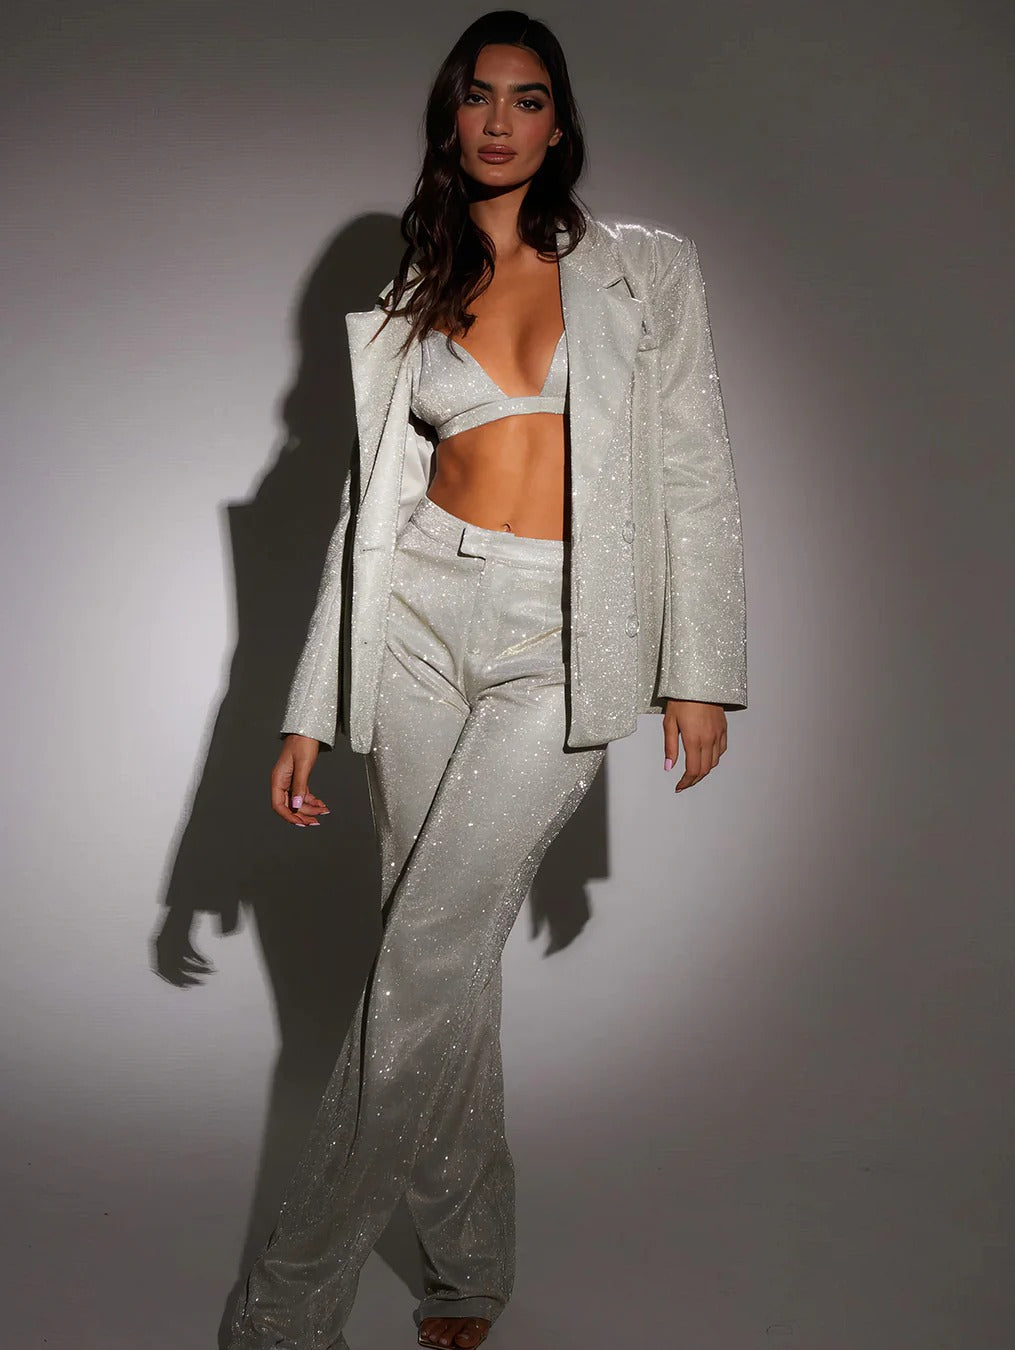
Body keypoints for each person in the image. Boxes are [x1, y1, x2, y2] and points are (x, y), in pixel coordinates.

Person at [227, 10, 747, 1350]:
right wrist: (309, 703)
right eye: (478, 96)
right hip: (416, 615)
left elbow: (692, 469)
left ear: (559, 125)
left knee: (423, 958)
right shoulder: (417, 291)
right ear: (449, 119)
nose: (500, 120)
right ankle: (466, 1264)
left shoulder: (643, 272)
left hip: (560, 633)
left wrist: (698, 668)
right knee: (437, 960)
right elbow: (370, 513)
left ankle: (285, 1305)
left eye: (526, 98)